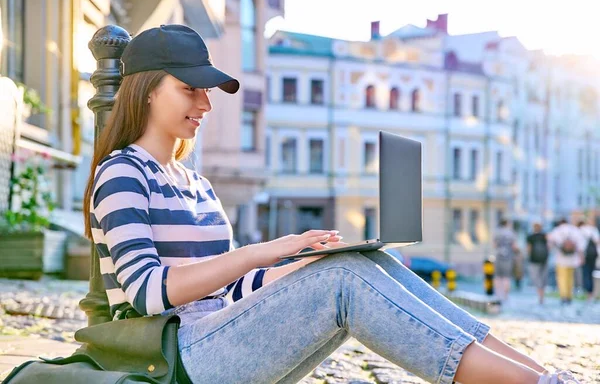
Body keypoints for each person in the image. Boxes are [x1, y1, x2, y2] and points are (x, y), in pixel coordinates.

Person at [82, 25, 580, 384]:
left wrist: (300, 263)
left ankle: (543, 377)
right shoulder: (123, 172)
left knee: (358, 262)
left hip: (216, 337)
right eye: (190, 89)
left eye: (207, 91)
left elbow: (230, 289)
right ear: (145, 91)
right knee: (343, 283)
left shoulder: (195, 183)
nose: (206, 105)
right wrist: (263, 252)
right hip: (171, 358)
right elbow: (147, 293)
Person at [548, 218, 585, 305]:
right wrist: (581, 257)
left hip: (560, 258)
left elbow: (551, 242)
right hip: (572, 259)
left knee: (561, 278)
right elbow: (581, 245)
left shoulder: (557, 230)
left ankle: (563, 296)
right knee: (570, 278)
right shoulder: (574, 230)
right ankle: (569, 296)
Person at [493, 219, 518, 302]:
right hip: (508, 258)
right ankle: (505, 295)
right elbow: (514, 247)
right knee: (506, 277)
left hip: (498, 257)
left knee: (497, 277)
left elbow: (494, 245)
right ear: (507, 223)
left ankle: (498, 295)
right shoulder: (511, 233)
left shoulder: (497, 232)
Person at [526, 222, 550, 305]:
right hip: (544, 259)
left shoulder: (530, 237)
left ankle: (540, 294)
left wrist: (528, 256)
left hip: (534, 260)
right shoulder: (544, 236)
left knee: (536, 277)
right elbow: (548, 247)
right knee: (543, 277)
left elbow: (528, 248)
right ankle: (542, 295)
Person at [577, 219, 599, 302]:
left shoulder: (580, 230)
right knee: (591, 274)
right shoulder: (593, 229)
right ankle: (592, 294)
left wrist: (581, 257)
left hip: (585, 256)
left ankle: (588, 295)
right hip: (593, 255)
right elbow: (597, 242)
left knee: (585, 274)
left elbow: (580, 246)